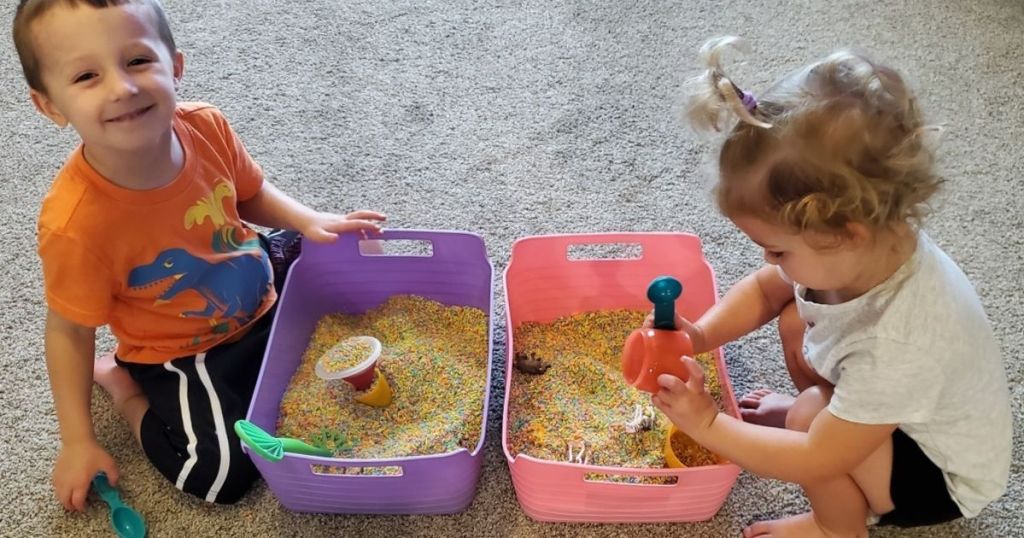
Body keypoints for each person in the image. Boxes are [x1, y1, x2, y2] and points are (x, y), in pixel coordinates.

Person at [12, 0, 386, 510]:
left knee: (342, 252)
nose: (122, 87)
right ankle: (123, 389)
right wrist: (78, 440)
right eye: (86, 76)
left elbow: (248, 193)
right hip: (186, 353)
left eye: (138, 61)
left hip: (256, 283)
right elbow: (69, 331)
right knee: (222, 474)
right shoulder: (75, 225)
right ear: (50, 105)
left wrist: (305, 218)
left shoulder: (206, 125)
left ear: (176, 65)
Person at [650, 36, 1011, 537]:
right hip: (889, 407)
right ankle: (837, 414)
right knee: (797, 314)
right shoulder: (856, 249)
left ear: (846, 234)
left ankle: (835, 527)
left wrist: (708, 424)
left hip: (939, 476)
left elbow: (816, 458)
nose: (767, 260)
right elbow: (763, 290)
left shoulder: (901, 339)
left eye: (777, 250)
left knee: (810, 420)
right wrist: (699, 337)